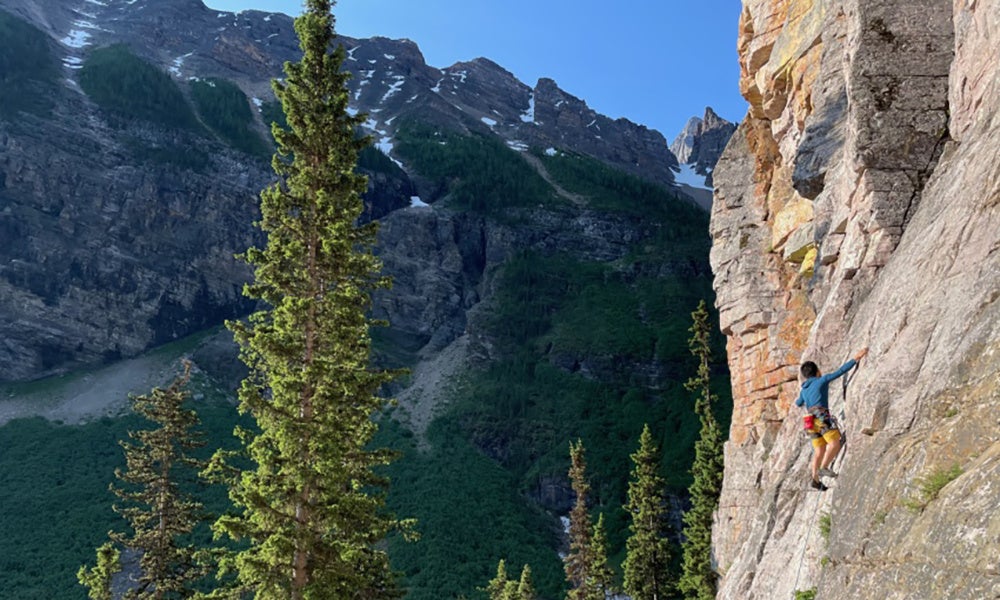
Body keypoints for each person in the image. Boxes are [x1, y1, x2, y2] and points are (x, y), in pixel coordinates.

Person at [796, 347, 869, 491]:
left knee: (819, 451)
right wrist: (856, 358)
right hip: (822, 418)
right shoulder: (821, 380)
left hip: (810, 422)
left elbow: (798, 403)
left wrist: (806, 393)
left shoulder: (804, 389)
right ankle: (824, 468)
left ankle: (815, 480)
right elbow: (840, 371)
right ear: (817, 372)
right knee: (834, 443)